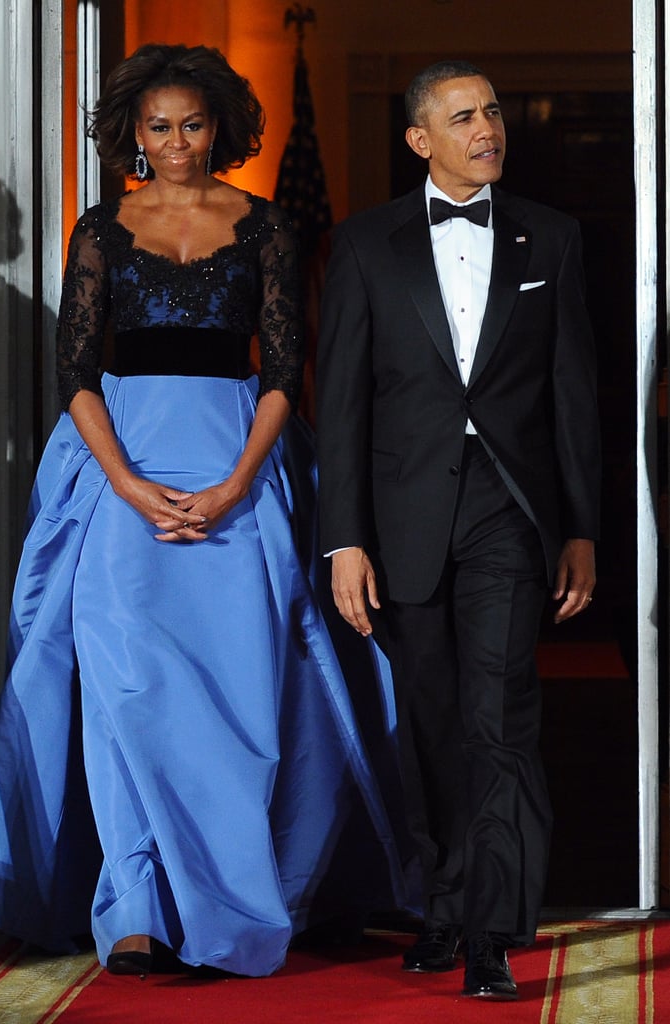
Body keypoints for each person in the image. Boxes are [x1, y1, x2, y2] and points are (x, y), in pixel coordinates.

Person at [0, 43, 403, 979]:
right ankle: (135, 907)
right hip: (120, 477)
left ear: (218, 126)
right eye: (158, 127)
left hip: (241, 471)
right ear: (131, 136)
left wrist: (234, 484)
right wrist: (129, 484)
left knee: (239, 701)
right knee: (122, 694)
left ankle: (236, 899)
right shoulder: (100, 230)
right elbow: (73, 374)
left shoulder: (267, 227)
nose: (177, 142)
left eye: (191, 124)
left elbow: (282, 369)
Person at [316, 59, 600, 1001]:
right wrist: (342, 539)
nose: (488, 127)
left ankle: (492, 926)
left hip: (507, 516)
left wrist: (579, 527)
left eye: (492, 111)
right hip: (401, 521)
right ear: (418, 140)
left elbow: (573, 397)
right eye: (463, 115)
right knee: (431, 723)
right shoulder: (364, 245)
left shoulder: (549, 239)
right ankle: (441, 904)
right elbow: (342, 403)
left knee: (500, 719)